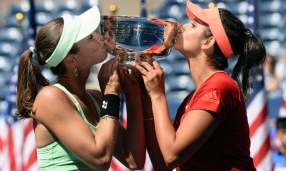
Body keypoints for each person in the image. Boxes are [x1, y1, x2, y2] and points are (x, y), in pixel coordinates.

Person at [132, 1, 266, 170]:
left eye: (193, 25)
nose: (182, 26)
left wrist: (157, 95)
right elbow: (161, 163)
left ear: (208, 42)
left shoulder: (220, 86)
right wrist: (146, 95)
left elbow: (171, 155)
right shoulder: (195, 96)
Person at [16, 6, 145, 170]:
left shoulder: (97, 97)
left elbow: (134, 160)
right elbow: (101, 158)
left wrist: (132, 94)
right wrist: (111, 93)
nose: (100, 37)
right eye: (90, 37)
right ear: (72, 60)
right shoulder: (50, 97)